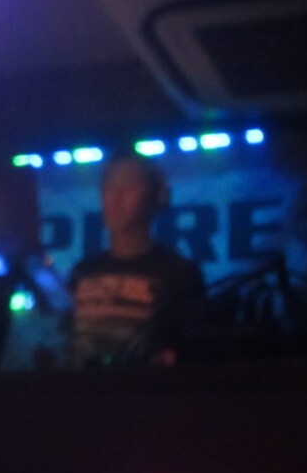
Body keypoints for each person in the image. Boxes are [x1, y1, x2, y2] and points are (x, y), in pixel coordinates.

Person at [68, 156, 205, 368]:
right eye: (109, 187)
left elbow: (193, 352)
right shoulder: (82, 272)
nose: (116, 197)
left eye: (130, 187)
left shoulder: (179, 273)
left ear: (156, 197)